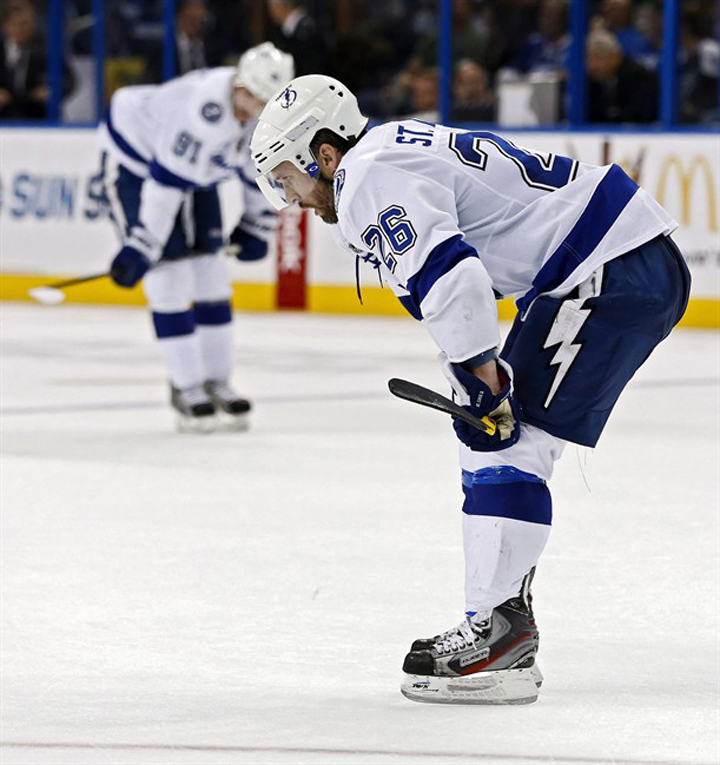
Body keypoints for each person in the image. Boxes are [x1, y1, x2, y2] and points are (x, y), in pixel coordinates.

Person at [249, 75, 691, 704]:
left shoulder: (364, 176)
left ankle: (499, 639)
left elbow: (451, 276)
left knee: (503, 444)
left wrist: (485, 386)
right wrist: (479, 375)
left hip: (607, 268)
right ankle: (502, 620)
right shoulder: (389, 151)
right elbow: (465, 276)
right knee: (498, 443)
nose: (290, 199)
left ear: (322, 154)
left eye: (286, 179)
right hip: (615, 259)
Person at [99, 43, 294, 432]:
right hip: (139, 162)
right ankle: (186, 386)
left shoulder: (266, 115)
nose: (252, 108)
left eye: (263, 101)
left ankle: (217, 381)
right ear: (238, 83)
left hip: (197, 171)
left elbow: (265, 170)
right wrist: (144, 245)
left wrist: (257, 225)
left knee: (211, 273)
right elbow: (165, 187)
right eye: (250, 95)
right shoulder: (201, 113)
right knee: (168, 277)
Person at [0, 0, 75, 119]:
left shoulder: (46, 50)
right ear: (6, 26)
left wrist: (53, 90)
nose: (27, 28)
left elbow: (69, 81)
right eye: (20, 24)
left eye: (29, 23)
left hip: (38, 120)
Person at [585, 29, 658, 123]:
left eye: (598, 57)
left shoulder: (640, 77)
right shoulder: (587, 81)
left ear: (616, 57)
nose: (592, 65)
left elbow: (642, 116)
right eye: (588, 58)